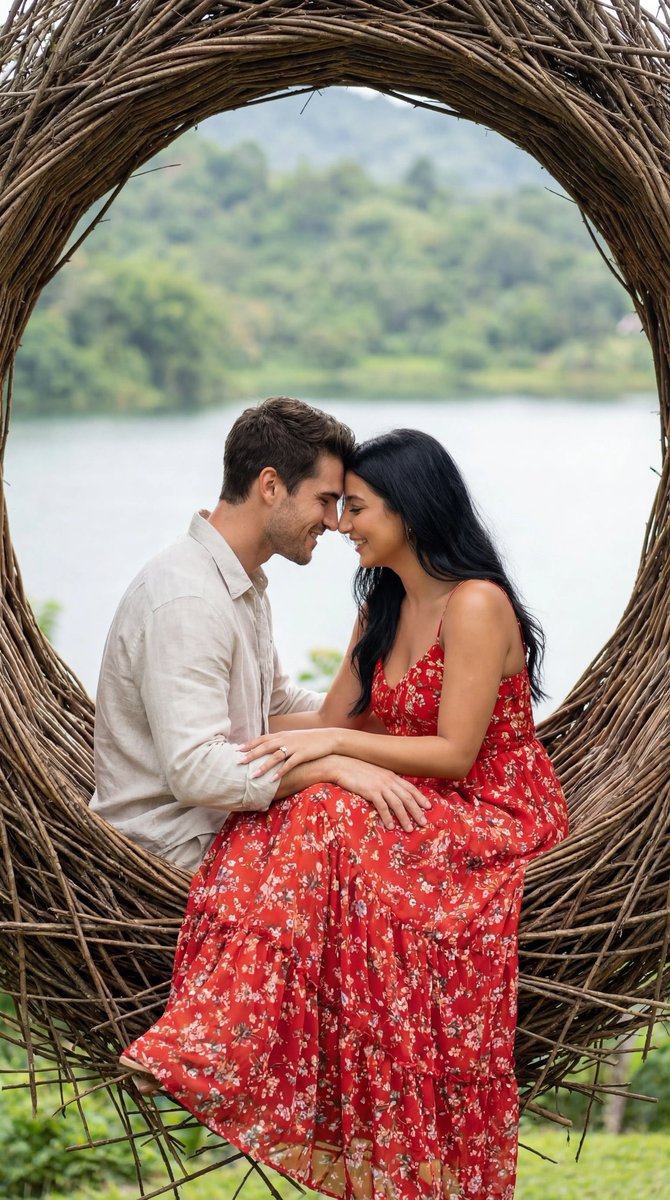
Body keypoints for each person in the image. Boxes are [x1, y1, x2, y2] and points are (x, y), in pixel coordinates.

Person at [120, 429, 569, 1200]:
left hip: (490, 808)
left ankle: (221, 1031)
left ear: (411, 509)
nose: (341, 524)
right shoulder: (383, 604)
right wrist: (226, 735)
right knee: (287, 804)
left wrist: (326, 752)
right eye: (336, 504)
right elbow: (341, 719)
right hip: (415, 797)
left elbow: (458, 753)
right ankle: (221, 1030)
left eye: (355, 507)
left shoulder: (476, 605)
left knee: (323, 804)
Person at [91, 397, 425, 873]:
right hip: (177, 846)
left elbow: (274, 706)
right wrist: (331, 765)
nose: (335, 523)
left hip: (224, 823)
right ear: (271, 485)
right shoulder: (188, 598)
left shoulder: (238, 583)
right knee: (375, 845)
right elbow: (197, 770)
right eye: (325, 500)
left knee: (392, 811)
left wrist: (388, 713)